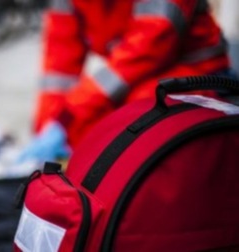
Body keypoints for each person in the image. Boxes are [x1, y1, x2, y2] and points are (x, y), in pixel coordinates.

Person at [18, 0, 232, 163]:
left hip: (201, 79)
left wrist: (69, 116)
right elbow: (59, 68)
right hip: (140, 77)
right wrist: (50, 123)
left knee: (131, 128)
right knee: (87, 131)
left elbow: (148, 48)